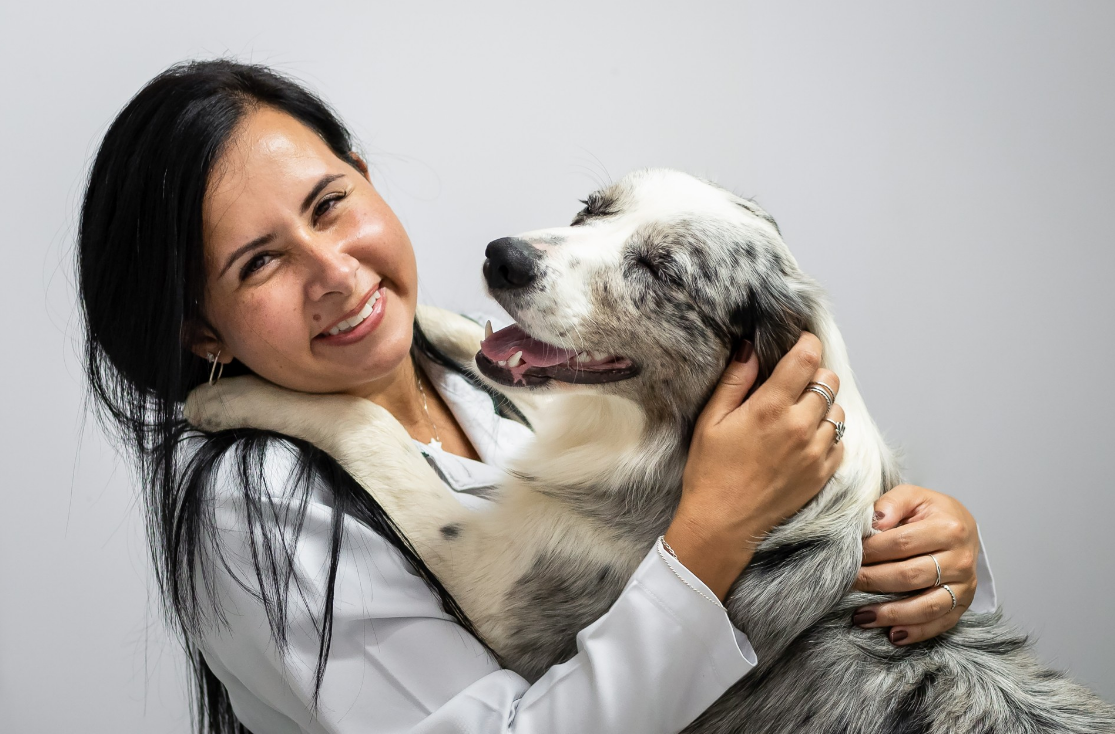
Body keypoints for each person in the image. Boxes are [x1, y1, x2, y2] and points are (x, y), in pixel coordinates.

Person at [78, 60, 995, 734]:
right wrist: (711, 534)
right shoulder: (257, 505)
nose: (336, 273)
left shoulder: (510, 375)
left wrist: (925, 558)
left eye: (328, 205)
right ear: (201, 331)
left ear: (365, 175)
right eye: (259, 263)